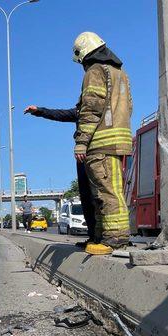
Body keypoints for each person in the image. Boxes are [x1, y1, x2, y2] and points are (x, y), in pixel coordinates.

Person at [24, 32, 132, 255]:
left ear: (83, 53)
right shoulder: (119, 73)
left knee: (105, 193)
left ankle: (115, 240)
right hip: (116, 141)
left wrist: (82, 142)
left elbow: (90, 110)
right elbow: (118, 108)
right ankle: (103, 237)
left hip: (100, 143)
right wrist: (42, 112)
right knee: (106, 192)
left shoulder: (95, 71)